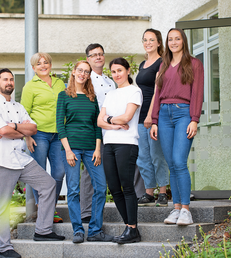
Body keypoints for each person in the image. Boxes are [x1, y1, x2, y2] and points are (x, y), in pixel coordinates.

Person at [0, 68, 65, 258]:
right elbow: (2, 132)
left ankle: (42, 230)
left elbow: (33, 128)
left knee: (48, 184)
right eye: (5, 79)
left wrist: (13, 127)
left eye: (11, 79)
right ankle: (5, 249)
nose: (9, 82)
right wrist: (20, 130)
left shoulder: (19, 107)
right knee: (1, 205)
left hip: (20, 158)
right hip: (0, 160)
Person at [150, 28, 204, 226]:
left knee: (179, 161)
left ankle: (186, 210)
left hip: (184, 113)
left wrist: (194, 119)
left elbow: (197, 93)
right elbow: (158, 94)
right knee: (171, 164)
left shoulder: (194, 64)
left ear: (183, 41)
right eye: (170, 39)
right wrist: (154, 120)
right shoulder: (163, 65)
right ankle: (176, 209)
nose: (173, 42)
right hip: (164, 115)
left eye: (177, 39)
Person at [56, 60, 113, 244]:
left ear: (89, 75)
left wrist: (98, 149)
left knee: (101, 187)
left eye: (86, 71)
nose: (83, 74)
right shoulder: (63, 96)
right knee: (73, 190)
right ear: (73, 72)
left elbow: (97, 125)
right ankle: (78, 230)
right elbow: (60, 125)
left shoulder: (91, 96)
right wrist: (68, 150)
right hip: (71, 148)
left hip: (91, 148)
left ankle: (95, 230)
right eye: (80, 70)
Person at [97, 57, 142, 244]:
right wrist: (112, 122)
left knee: (127, 186)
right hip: (109, 144)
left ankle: (132, 229)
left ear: (128, 71)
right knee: (114, 188)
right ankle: (129, 227)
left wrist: (109, 119)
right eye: (113, 72)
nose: (116, 75)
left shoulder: (135, 91)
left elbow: (127, 117)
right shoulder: (110, 94)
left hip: (127, 144)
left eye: (120, 71)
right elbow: (99, 121)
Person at [21, 53, 65, 223]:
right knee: (39, 173)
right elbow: (24, 112)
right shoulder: (30, 87)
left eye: (45, 62)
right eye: (38, 64)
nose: (43, 65)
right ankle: (44, 209)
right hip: (38, 134)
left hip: (59, 134)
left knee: (59, 172)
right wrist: (27, 136)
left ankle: (50, 207)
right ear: (33, 68)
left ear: (50, 65)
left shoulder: (59, 83)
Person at [79, 43, 116, 223]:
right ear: (88, 59)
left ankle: (100, 208)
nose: (98, 57)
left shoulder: (111, 82)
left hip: (112, 130)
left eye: (100, 54)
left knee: (108, 169)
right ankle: (86, 211)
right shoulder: (85, 80)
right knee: (90, 169)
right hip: (93, 130)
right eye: (94, 55)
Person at [135, 29, 170, 207]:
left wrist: (151, 115)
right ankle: (149, 192)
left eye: (151, 40)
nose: (148, 43)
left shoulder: (162, 62)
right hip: (139, 116)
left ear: (158, 43)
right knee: (143, 156)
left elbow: (158, 90)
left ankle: (162, 192)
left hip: (154, 114)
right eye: (145, 40)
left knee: (157, 154)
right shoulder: (142, 64)